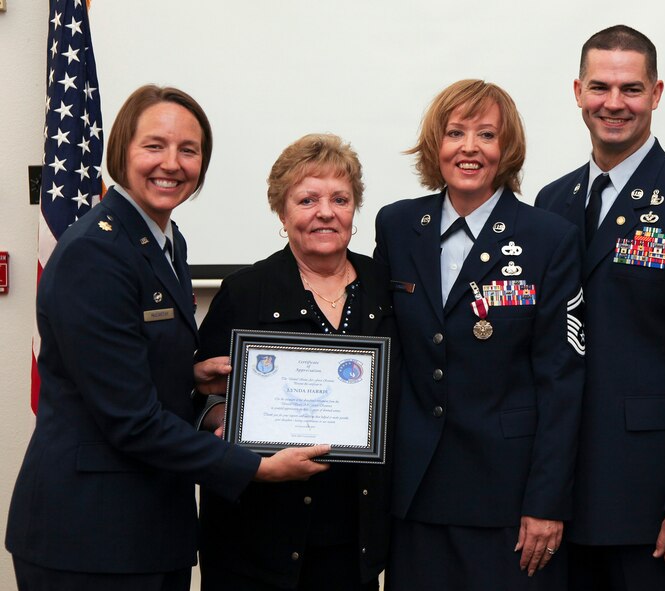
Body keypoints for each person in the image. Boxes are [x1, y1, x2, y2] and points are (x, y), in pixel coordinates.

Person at [5, 85, 327, 591]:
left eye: (188, 150)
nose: (171, 164)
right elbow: (130, 420)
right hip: (90, 538)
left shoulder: (165, 241)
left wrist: (192, 377)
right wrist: (254, 468)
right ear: (122, 152)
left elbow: (134, 364)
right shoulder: (97, 252)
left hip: (148, 530)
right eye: (154, 146)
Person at [534, 25, 665, 591]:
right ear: (577, 91)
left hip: (648, 507)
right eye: (600, 87)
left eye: (631, 89)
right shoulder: (552, 202)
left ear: (656, 94)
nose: (614, 103)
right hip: (556, 500)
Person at [374, 79, 585, 590]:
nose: (469, 148)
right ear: (435, 145)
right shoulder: (398, 225)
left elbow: (561, 380)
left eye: (486, 135)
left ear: (506, 149)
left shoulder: (548, 238)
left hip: (507, 500)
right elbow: (381, 349)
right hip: (415, 492)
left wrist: (546, 503)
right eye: (455, 133)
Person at [194, 133, 398, 591]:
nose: (325, 212)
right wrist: (222, 418)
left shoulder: (387, 289)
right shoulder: (244, 292)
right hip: (257, 536)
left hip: (355, 534)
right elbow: (198, 394)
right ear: (282, 215)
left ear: (354, 211)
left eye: (340, 199)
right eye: (307, 199)